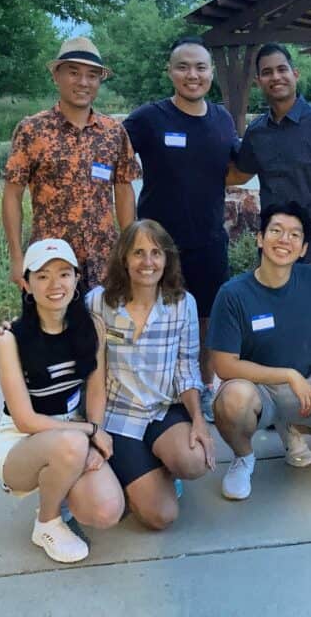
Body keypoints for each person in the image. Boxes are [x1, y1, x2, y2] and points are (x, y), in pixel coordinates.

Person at [207, 202, 311, 501]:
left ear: (302, 248)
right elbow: (224, 365)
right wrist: (287, 375)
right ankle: (243, 457)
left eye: (294, 235)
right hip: (256, 389)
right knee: (232, 400)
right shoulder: (233, 294)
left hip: (309, 385)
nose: (284, 239)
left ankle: (291, 424)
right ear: (260, 238)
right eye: (276, 231)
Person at [122, 37, 241, 421]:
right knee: (151, 319)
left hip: (208, 240)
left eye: (201, 67)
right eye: (183, 67)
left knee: (206, 321)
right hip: (156, 246)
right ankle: (151, 391)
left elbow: (239, 166)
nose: (193, 75)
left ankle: (203, 388)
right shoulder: (148, 119)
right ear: (170, 72)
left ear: (211, 73)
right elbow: (108, 154)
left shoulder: (222, 119)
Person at [0, 239, 124, 563]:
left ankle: (60, 483)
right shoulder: (10, 340)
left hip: (71, 433)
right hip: (20, 442)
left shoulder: (91, 327)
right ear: (26, 283)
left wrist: (93, 433)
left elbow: (95, 391)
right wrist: (89, 433)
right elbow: (25, 420)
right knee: (71, 445)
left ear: (77, 279)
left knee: (107, 510)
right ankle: (47, 521)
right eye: (42, 276)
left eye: (64, 274)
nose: (55, 285)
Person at [233, 44, 311, 385]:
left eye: (281, 69)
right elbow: (237, 173)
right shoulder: (257, 132)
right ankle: (285, 399)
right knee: (278, 321)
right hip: (275, 246)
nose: (276, 77)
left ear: (294, 74)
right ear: (259, 80)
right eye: (268, 72)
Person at [85, 220, 215, 530]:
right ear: (124, 259)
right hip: (119, 417)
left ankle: (155, 464)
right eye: (138, 253)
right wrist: (94, 432)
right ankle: (133, 471)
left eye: (156, 253)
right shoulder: (98, 303)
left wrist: (198, 419)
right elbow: (90, 374)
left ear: (167, 258)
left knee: (194, 460)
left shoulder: (182, 305)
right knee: (161, 516)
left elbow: (186, 368)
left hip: (162, 410)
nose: (147, 262)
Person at [3, 37, 140, 291]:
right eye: (74, 73)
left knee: (104, 330)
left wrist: (129, 248)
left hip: (104, 263)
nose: (83, 82)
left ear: (99, 81)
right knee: (48, 331)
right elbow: (12, 194)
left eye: (92, 75)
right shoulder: (32, 130)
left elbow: (123, 190)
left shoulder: (113, 132)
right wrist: (16, 257)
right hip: (50, 263)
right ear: (57, 75)